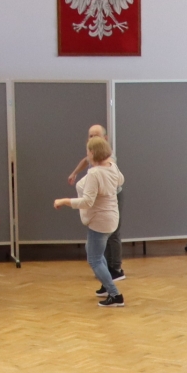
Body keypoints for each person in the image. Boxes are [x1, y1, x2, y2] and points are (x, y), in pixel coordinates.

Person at [56, 136, 126, 307]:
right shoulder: (112, 166)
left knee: (94, 259)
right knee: (93, 251)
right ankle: (106, 286)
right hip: (111, 218)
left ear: (93, 153)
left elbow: (87, 202)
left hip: (100, 221)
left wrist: (64, 201)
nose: (86, 154)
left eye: (88, 151)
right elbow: (120, 181)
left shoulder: (95, 173)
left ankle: (115, 295)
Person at [67, 125, 127, 284]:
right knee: (101, 236)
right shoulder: (93, 153)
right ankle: (104, 270)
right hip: (100, 199)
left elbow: (118, 179)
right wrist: (75, 173)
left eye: (96, 135)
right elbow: (85, 161)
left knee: (113, 232)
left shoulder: (108, 158)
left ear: (105, 138)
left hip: (111, 197)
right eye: (90, 136)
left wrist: (65, 201)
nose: (93, 138)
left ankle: (116, 269)